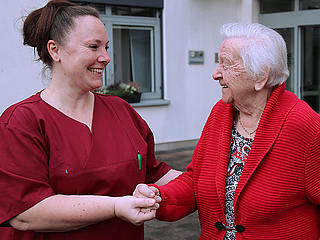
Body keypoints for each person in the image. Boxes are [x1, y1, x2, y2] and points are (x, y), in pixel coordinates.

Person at [0, 0, 181, 239]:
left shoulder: (121, 110)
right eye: (93, 47)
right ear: (55, 50)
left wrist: (217, 179)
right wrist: (116, 207)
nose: (106, 57)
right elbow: (26, 211)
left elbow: (154, 173)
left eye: (106, 47)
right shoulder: (22, 121)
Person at [134, 23, 320, 239]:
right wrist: (159, 197)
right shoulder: (221, 113)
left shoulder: (305, 125)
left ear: (260, 77)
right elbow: (196, 181)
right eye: (218, 63)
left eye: (227, 65)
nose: (216, 74)